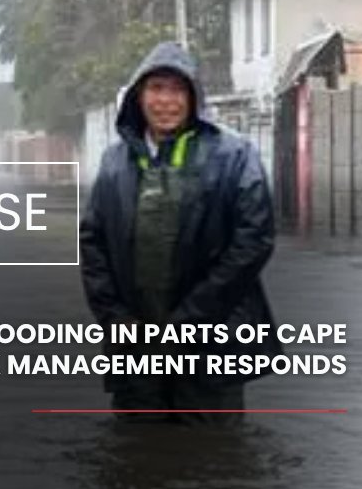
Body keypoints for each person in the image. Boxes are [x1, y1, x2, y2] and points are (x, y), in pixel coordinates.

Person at [80, 41, 281, 423]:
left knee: (211, 451)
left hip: (212, 341)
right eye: (156, 89)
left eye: (177, 89)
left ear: (193, 97)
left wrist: (191, 318)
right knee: (136, 449)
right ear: (139, 97)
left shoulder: (234, 156)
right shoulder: (114, 162)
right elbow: (93, 244)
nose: (166, 101)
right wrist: (116, 320)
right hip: (136, 346)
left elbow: (253, 240)